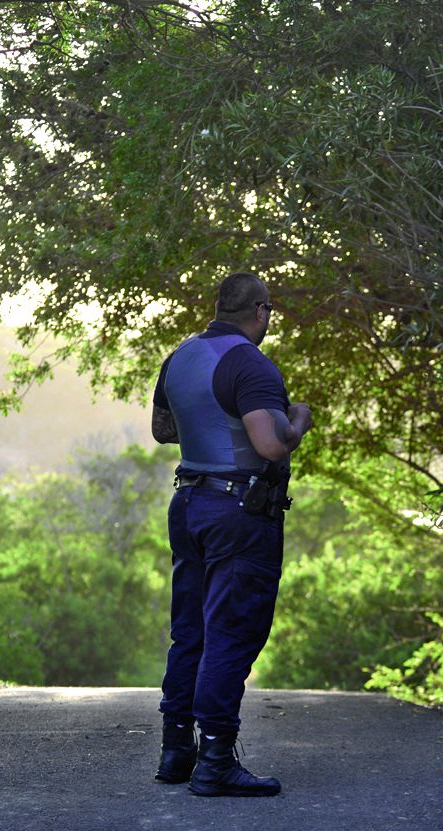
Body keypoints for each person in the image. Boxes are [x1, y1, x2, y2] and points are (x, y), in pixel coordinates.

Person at [149, 272, 314, 797]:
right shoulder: (250, 363)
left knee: (191, 630)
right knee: (232, 631)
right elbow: (271, 445)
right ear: (261, 311)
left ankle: (177, 750)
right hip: (240, 511)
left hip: (190, 502)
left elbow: (163, 429)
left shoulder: (180, 356)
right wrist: (298, 420)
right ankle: (216, 758)